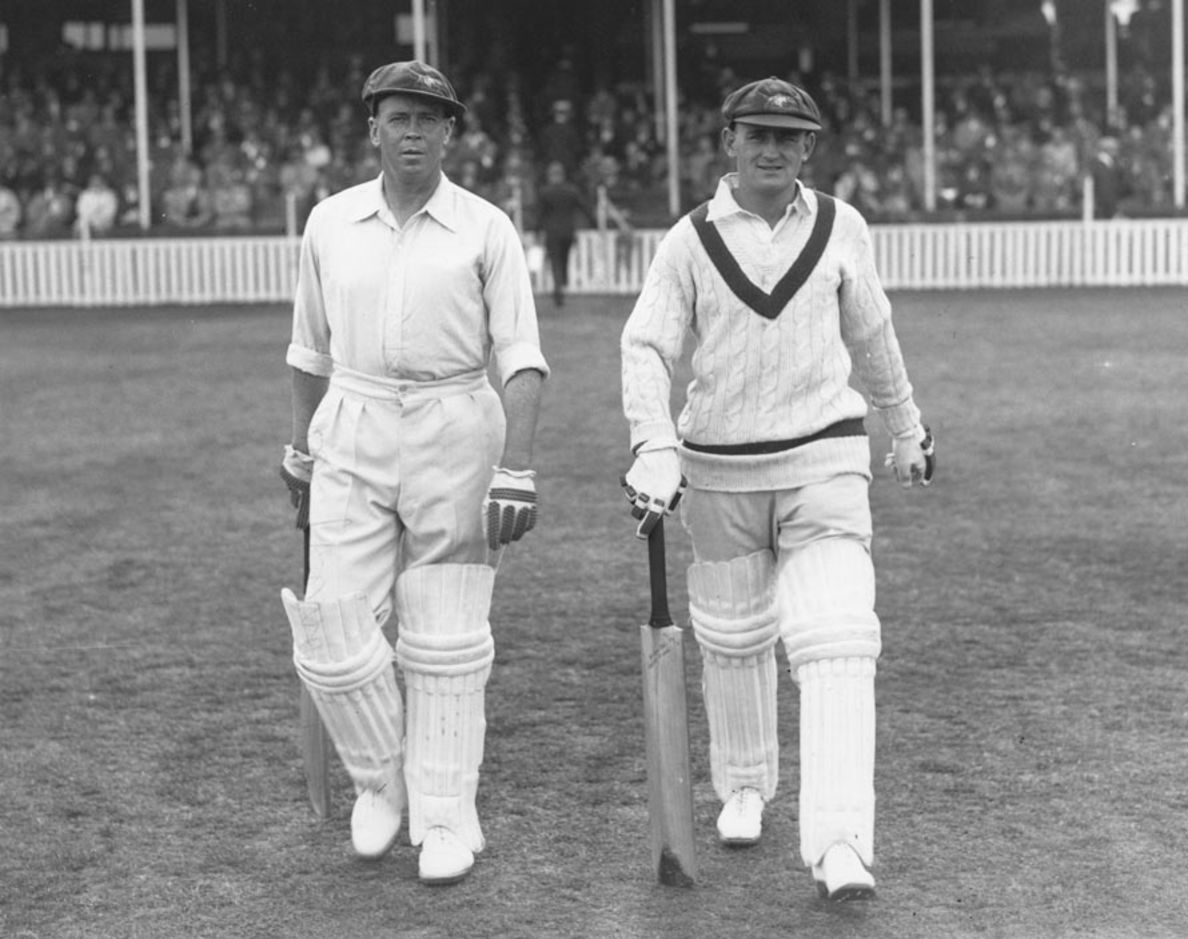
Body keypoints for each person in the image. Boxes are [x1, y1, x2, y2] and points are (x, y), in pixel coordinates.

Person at [619, 76, 933, 902]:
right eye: (754, 133)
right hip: (718, 464)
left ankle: (840, 843)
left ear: (808, 148)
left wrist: (904, 427)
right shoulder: (687, 241)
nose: (770, 148)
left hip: (825, 459)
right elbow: (646, 345)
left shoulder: (841, 227)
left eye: (787, 137)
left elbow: (872, 330)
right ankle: (747, 785)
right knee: (731, 634)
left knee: (836, 637)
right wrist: (655, 445)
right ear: (726, 141)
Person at [277, 60, 549, 886]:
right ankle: (380, 779)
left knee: (446, 634)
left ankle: (443, 813)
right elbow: (307, 351)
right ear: (372, 128)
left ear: (451, 134)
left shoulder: (485, 228)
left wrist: (518, 468)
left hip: (456, 423)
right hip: (352, 424)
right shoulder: (329, 222)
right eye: (400, 118)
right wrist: (298, 450)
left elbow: (523, 358)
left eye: (431, 121)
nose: (414, 134)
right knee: (330, 623)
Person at [534, 160, 594, 307]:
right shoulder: (571, 191)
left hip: (552, 232)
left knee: (555, 261)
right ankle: (561, 284)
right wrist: (593, 222)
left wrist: (537, 229)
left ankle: (558, 288)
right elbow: (584, 207)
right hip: (568, 231)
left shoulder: (545, 192)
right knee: (564, 260)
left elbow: (540, 214)